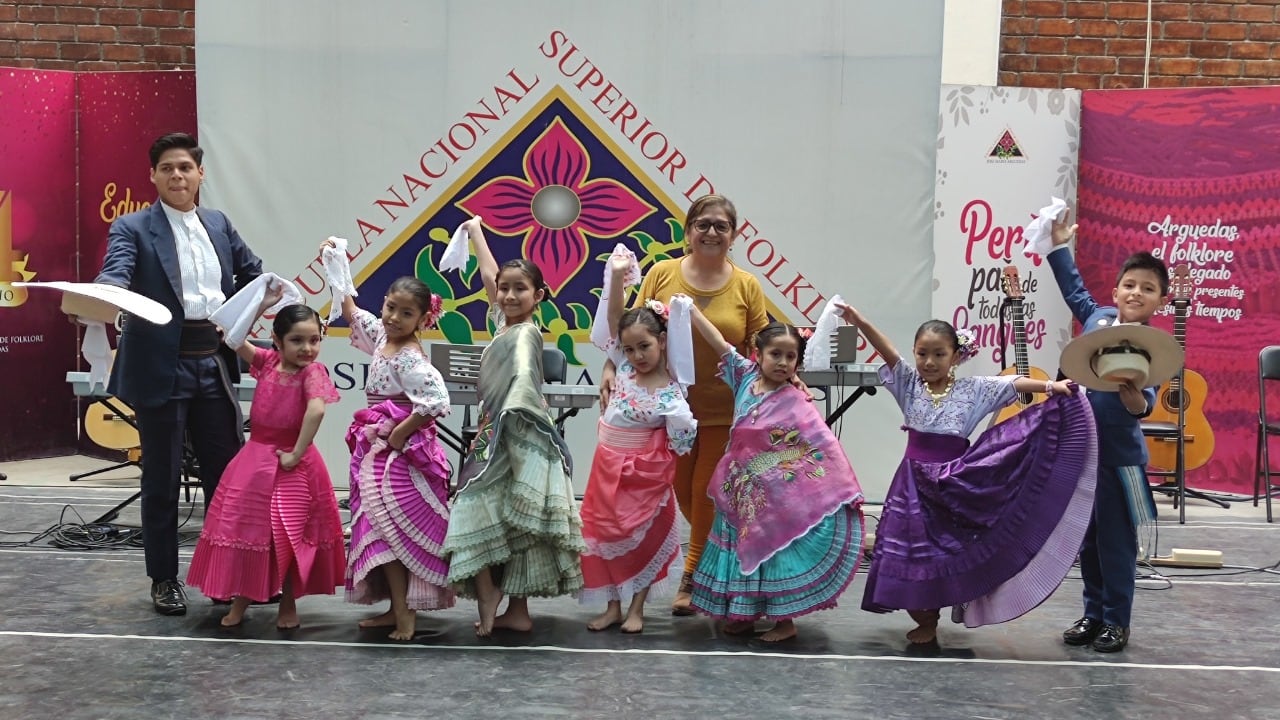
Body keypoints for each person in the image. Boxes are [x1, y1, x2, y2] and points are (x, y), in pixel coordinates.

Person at [844, 305, 1097, 645]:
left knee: (948, 553)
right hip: (911, 488)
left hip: (953, 486)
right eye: (922, 353)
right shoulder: (909, 385)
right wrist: (860, 322)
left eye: (939, 354)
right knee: (908, 552)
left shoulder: (972, 389)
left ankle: (951, 604)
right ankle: (925, 620)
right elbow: (887, 351)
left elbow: (1012, 383)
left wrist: (1052, 387)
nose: (929, 362)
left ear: (955, 356)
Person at [96, 132, 263, 615]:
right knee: (162, 479)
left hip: (213, 362)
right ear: (152, 175)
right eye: (167, 168)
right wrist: (104, 295)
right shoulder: (132, 228)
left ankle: (225, 574)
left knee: (224, 476)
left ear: (200, 174)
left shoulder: (219, 224)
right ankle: (164, 580)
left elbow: (254, 273)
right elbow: (116, 272)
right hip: (159, 366)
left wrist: (256, 306)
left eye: (185, 168)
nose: (177, 176)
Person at [601, 194, 768, 615]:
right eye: (703, 224)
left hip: (723, 411)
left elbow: (761, 344)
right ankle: (724, 562)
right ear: (688, 231)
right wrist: (610, 362)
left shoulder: (747, 285)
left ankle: (693, 579)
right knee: (683, 494)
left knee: (705, 493)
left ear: (734, 235)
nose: (711, 232)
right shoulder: (662, 272)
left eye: (721, 226)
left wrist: (785, 382)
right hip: (665, 412)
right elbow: (632, 329)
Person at [679, 304, 865, 642]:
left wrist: (839, 486)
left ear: (798, 363)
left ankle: (784, 622)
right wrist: (691, 311)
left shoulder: (796, 400)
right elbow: (718, 342)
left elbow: (815, 448)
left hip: (775, 497)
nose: (782, 362)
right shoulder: (744, 377)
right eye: (775, 354)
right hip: (740, 490)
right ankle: (744, 614)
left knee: (778, 552)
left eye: (790, 357)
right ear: (758, 354)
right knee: (740, 551)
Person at [442, 217, 585, 637]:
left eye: (519, 289)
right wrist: (475, 231)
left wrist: (512, 420)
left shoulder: (524, 335)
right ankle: (514, 609)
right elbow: (490, 274)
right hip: (498, 431)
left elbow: (523, 379)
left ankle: (496, 597)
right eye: (504, 288)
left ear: (538, 296)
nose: (507, 294)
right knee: (511, 519)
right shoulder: (501, 322)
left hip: (513, 432)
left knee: (481, 508)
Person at [186, 299, 345, 629]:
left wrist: (296, 454)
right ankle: (242, 600)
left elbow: (316, 410)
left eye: (314, 340)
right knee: (249, 532)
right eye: (297, 340)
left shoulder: (312, 373)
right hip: (254, 464)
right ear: (277, 340)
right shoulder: (268, 362)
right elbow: (234, 339)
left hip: (294, 467)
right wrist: (262, 302)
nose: (307, 348)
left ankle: (288, 603)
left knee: (289, 536)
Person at [1047, 211, 1166, 653]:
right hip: (1083, 455)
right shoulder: (1096, 318)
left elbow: (1143, 406)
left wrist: (1134, 394)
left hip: (1120, 462)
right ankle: (1093, 613)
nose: (1137, 292)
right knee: (1089, 540)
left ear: (1160, 302)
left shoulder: (1153, 349)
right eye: (1131, 284)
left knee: (1117, 545)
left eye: (1148, 289)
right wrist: (1059, 246)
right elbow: (1073, 288)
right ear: (1116, 291)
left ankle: (1118, 620)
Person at [329, 260, 457, 642]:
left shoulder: (409, 358)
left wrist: (399, 434)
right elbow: (350, 308)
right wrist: (335, 260)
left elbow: (435, 401)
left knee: (394, 535)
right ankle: (394, 609)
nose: (394, 318)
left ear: (421, 318)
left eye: (406, 313)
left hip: (400, 457)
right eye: (390, 308)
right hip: (379, 452)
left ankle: (405, 615)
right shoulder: (383, 340)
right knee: (382, 534)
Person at [579, 250, 696, 634]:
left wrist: (653, 462)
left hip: (644, 475)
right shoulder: (624, 369)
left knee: (642, 540)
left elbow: (680, 439)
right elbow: (615, 318)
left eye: (644, 346)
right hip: (606, 466)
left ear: (662, 341)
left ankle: (637, 608)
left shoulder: (671, 388)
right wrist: (615, 275)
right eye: (628, 349)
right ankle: (613, 604)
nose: (635, 355)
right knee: (601, 534)